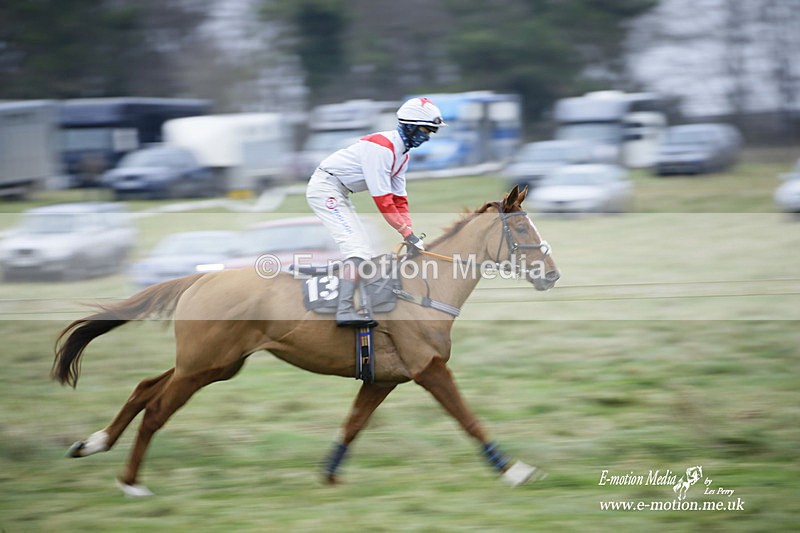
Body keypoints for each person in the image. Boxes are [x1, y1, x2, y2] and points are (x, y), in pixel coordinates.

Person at [306, 97, 446, 327]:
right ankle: (344, 309)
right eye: (426, 129)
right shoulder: (382, 148)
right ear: (410, 126)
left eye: (432, 131)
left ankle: (362, 303)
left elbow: (399, 199)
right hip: (326, 189)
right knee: (357, 249)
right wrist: (406, 234)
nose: (428, 136)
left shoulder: (403, 155)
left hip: (338, 190)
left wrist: (409, 233)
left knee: (364, 251)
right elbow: (383, 200)